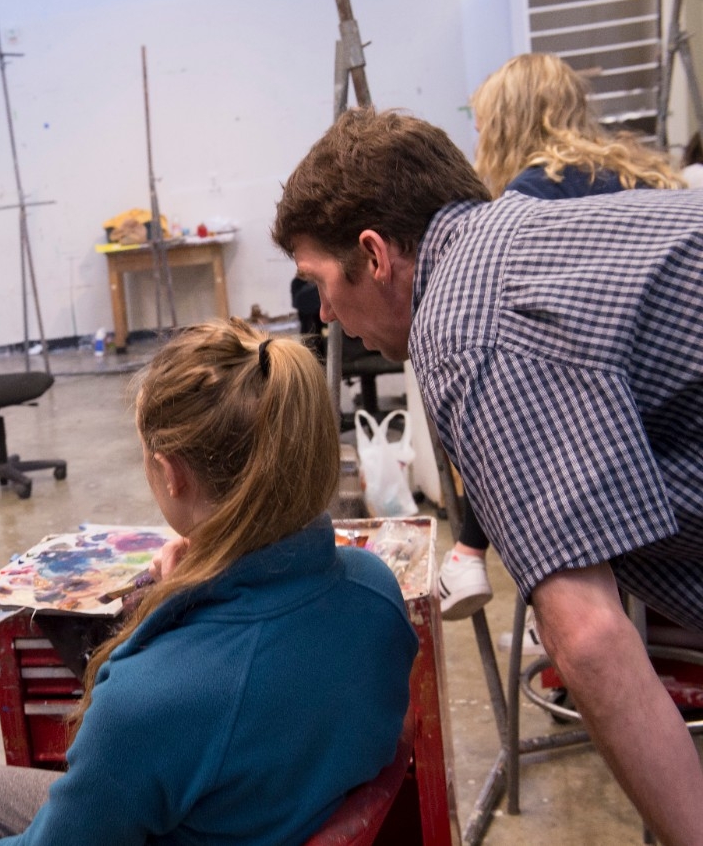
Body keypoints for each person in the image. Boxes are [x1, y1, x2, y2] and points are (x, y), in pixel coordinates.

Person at [273, 106, 703, 844]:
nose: (330, 317)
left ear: (374, 255)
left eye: (317, 284)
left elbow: (591, 639)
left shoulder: (464, 329)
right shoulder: (523, 235)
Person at [0, 318, 419, 846]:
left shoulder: (155, 699)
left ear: (171, 475)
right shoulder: (373, 589)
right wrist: (184, 597)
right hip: (259, 806)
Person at [439, 52, 680, 621]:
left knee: (495, 391)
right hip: (672, 418)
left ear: (505, 123)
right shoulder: (643, 174)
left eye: (480, 125)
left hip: (614, 443)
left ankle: (478, 557)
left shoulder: (531, 199)